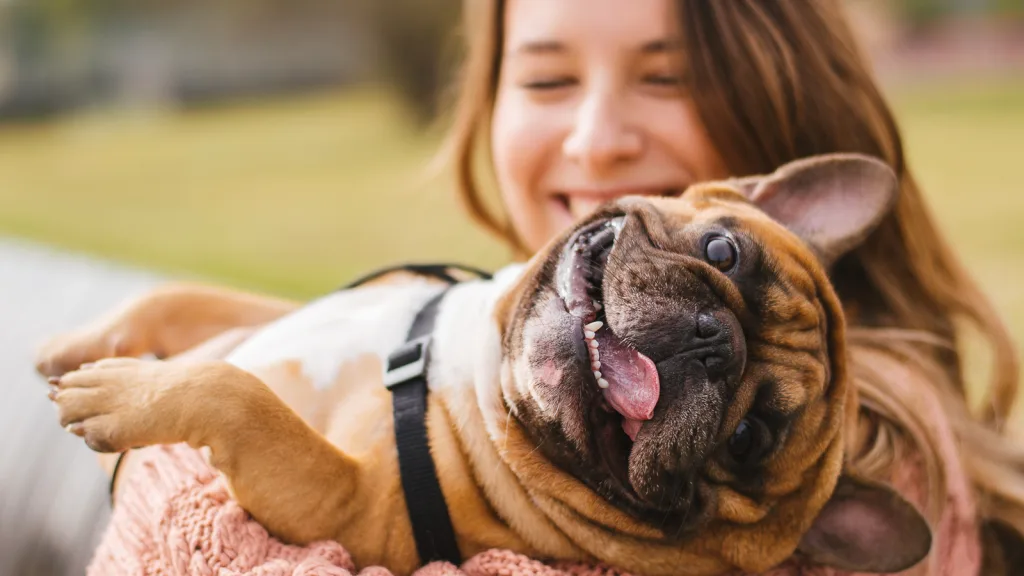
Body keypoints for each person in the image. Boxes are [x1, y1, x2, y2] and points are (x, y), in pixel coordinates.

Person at [74, 1, 1024, 574]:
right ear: (482, 103)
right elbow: (350, 354)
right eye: (546, 80)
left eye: (666, 79)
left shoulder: (879, 448)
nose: (596, 138)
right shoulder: (514, 335)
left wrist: (159, 458)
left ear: (779, 101)